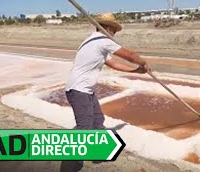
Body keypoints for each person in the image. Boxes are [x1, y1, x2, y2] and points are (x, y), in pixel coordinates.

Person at [60, 13, 151, 172]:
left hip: (85, 90)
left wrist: (137, 71)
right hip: (79, 90)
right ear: (107, 28)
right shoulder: (101, 40)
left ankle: (98, 153)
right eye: (113, 30)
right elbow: (129, 55)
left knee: (97, 120)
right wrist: (143, 63)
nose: (114, 34)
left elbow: (113, 63)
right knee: (84, 129)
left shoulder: (93, 41)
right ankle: (69, 167)